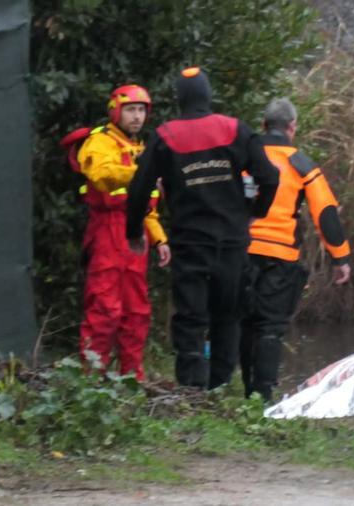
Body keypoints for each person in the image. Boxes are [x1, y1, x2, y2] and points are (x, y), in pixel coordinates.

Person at [125, 67, 279, 389]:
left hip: (190, 243)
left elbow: (139, 188)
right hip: (233, 242)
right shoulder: (236, 129)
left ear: (179, 99)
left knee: (191, 317)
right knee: (228, 315)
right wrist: (255, 212)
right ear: (209, 95)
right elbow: (270, 176)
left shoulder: (165, 136)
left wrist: (133, 230)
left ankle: (192, 390)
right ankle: (219, 386)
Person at [240, 98, 351, 402]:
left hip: (241, 251)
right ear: (292, 127)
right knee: (270, 327)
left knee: (244, 322)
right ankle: (262, 396)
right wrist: (340, 256)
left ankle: (243, 389)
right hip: (281, 255)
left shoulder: (244, 155)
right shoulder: (301, 163)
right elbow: (325, 213)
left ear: (264, 124)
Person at [76, 84, 169, 381]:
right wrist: (143, 174)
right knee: (104, 309)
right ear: (116, 111)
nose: (137, 116)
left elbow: (148, 206)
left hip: (135, 235)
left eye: (141, 110)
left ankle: (132, 379)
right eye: (131, 109)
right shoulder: (100, 142)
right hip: (107, 233)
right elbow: (102, 175)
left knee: (136, 313)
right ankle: (92, 379)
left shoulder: (143, 149)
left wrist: (159, 238)